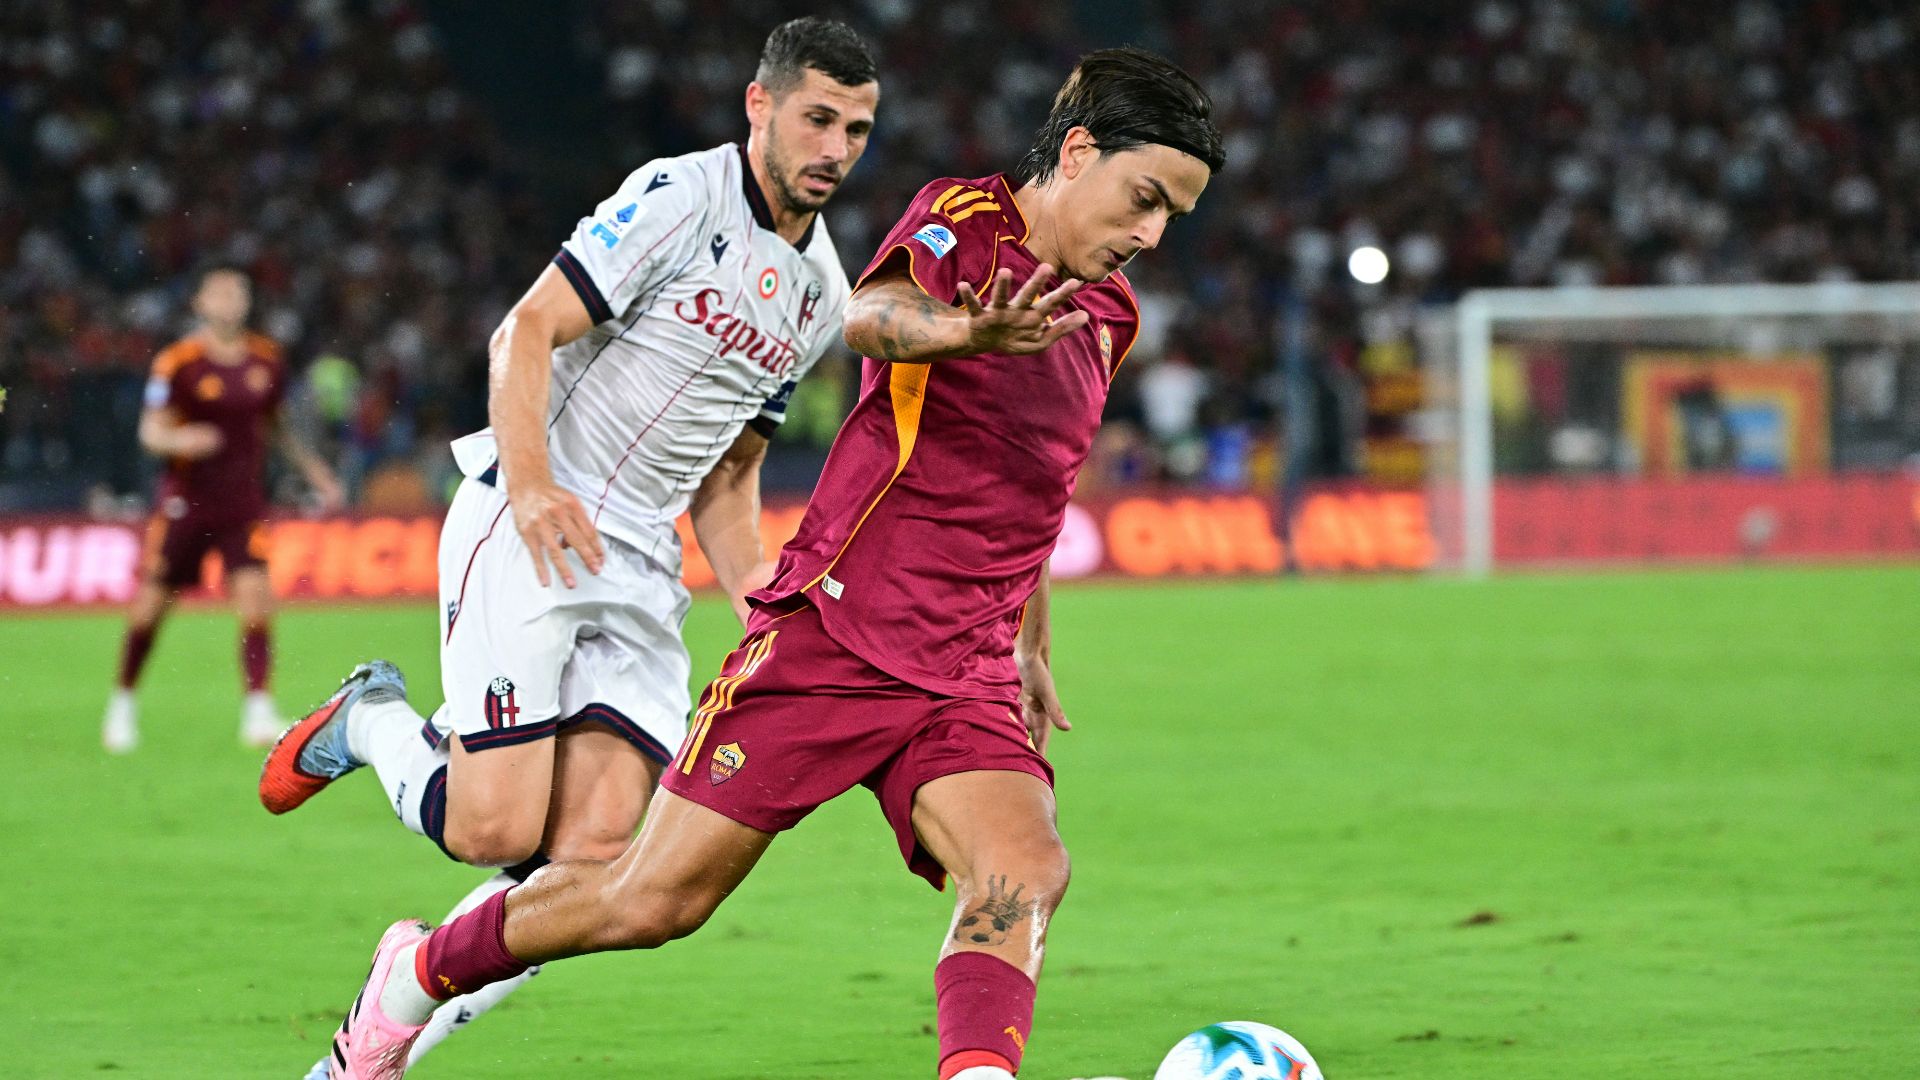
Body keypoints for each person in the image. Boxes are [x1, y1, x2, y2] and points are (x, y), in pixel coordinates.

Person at [317, 46, 1221, 1080]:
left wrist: (1027, 636)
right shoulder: (967, 222)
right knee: (650, 901)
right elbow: (872, 318)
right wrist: (971, 330)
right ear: (1079, 152)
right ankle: (415, 975)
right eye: (1145, 198)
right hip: (836, 636)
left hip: (963, 664)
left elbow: (1034, 483)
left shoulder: (1108, 316)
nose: (1152, 234)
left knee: (1023, 868)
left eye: (1174, 216)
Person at [257, 17, 879, 1073]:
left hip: (639, 569)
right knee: (494, 833)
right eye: (818, 119)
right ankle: (371, 720)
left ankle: (373, 1045)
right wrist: (536, 482)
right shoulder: (679, 197)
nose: (836, 149)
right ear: (760, 105)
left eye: (857, 131)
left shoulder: (823, 293)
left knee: (595, 865)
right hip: (532, 517)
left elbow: (729, 483)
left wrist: (768, 610)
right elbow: (527, 329)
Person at [101, 266, 343, 753]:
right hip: (185, 503)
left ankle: (257, 710)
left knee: (256, 601)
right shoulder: (178, 362)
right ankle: (122, 703)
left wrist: (318, 474)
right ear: (200, 303)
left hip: (242, 503)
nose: (230, 301)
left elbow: (278, 427)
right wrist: (181, 439)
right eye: (220, 293)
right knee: (151, 606)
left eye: (238, 293)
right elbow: (150, 432)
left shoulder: (267, 359)